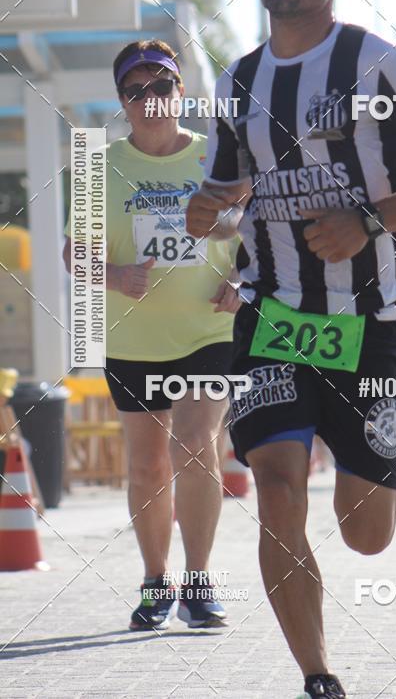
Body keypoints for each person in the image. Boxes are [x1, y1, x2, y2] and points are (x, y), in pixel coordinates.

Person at [186, 0, 396, 699]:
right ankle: (318, 677)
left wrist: (370, 222)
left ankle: (373, 475)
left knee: (366, 535)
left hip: (372, 326)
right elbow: (225, 193)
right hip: (271, 319)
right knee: (278, 489)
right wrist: (206, 210)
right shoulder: (238, 81)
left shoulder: (382, 62)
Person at [63, 39, 241, 631]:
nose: (150, 100)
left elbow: (262, 231)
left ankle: (199, 579)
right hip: (133, 339)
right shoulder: (97, 163)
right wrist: (113, 273)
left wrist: (244, 278)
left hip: (210, 331)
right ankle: (155, 579)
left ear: (180, 93)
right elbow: (72, 253)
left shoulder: (217, 155)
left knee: (194, 444)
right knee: (145, 467)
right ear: (122, 101)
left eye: (161, 86)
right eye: (136, 91)